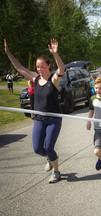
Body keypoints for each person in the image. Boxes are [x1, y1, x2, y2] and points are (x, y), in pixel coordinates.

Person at [4, 39, 65, 183]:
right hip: (39, 119)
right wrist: (8, 53)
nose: (39, 69)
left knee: (49, 147)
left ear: (49, 66)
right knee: (37, 148)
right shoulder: (35, 78)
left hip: (53, 120)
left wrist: (55, 54)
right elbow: (20, 68)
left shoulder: (53, 80)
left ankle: (56, 172)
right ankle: (49, 159)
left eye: (42, 66)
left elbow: (61, 69)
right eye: (37, 67)